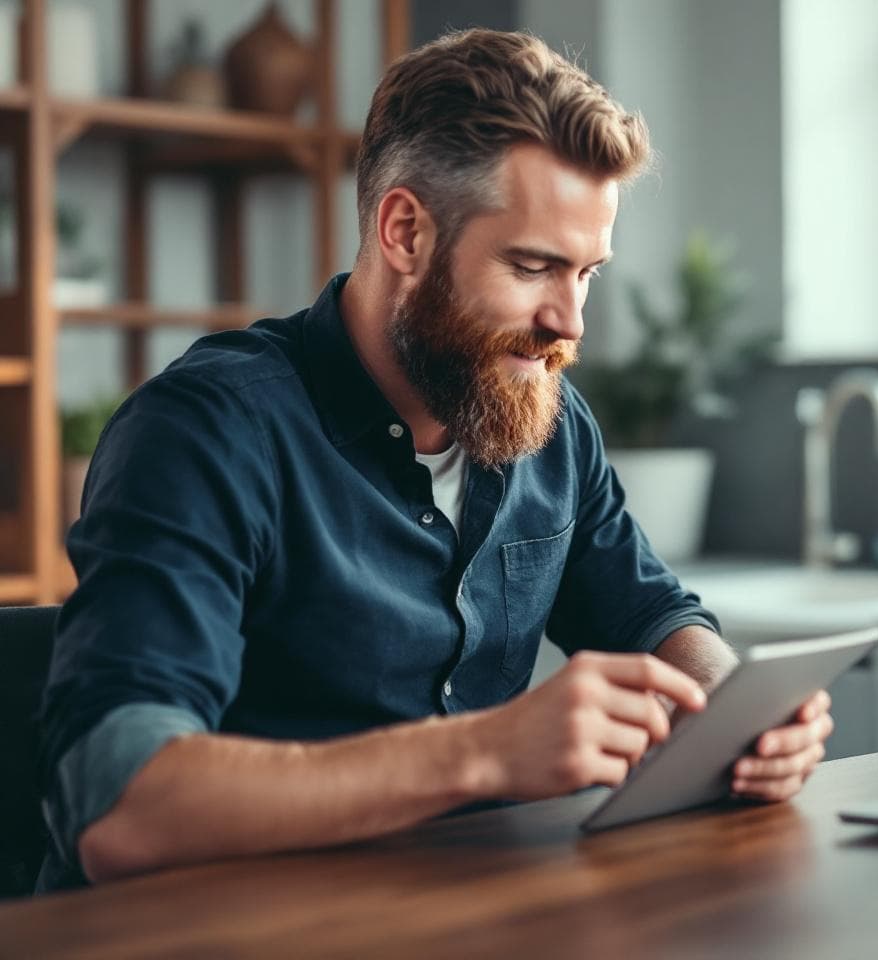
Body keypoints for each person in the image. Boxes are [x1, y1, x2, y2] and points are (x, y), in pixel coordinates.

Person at [38, 28, 833, 890]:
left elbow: (650, 616)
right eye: (533, 266)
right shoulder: (205, 432)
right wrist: (486, 753)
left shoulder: (545, 417)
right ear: (406, 232)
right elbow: (119, 807)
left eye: (587, 273)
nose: (570, 322)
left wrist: (737, 713)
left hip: (459, 915)